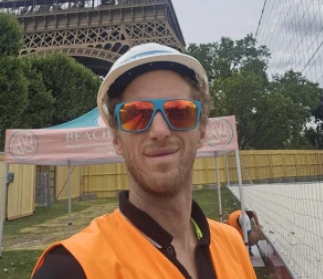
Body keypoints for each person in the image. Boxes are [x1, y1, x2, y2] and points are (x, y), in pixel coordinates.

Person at [31, 43, 256, 279]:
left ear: (201, 132)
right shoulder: (71, 268)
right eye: (136, 114)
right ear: (116, 139)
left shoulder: (233, 244)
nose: (159, 130)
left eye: (179, 111)